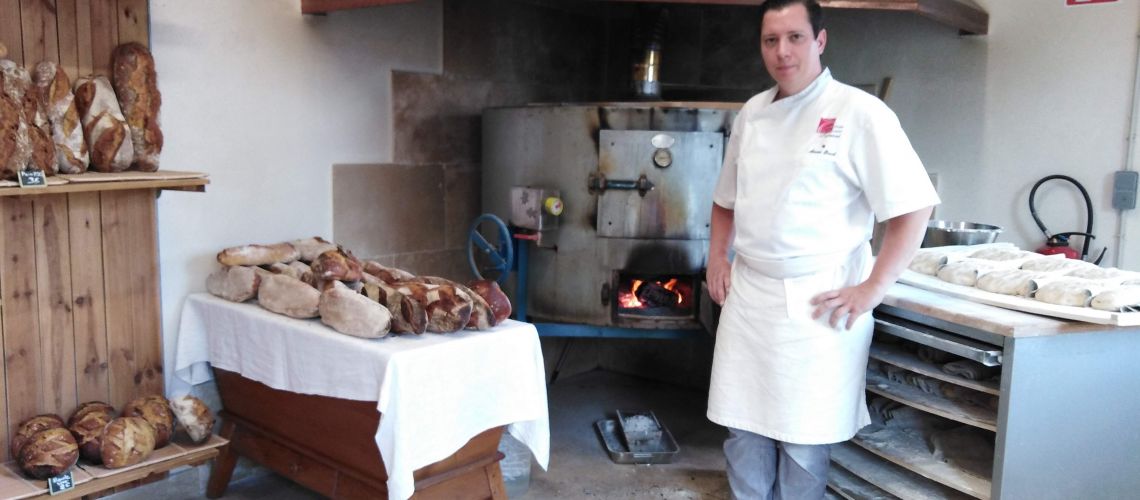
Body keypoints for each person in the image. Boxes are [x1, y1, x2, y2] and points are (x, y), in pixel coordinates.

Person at [704, 0, 940, 498]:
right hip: (750, 297)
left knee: (803, 440)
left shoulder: (860, 112)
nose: (782, 52)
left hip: (820, 303)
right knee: (742, 429)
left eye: (795, 37)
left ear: (820, 40)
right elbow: (725, 201)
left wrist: (873, 287)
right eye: (771, 40)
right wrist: (717, 257)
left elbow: (914, 208)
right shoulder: (752, 113)